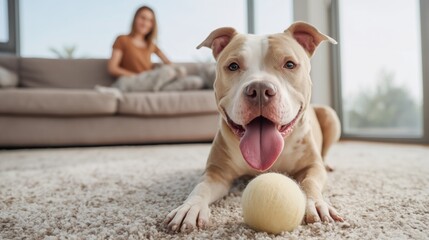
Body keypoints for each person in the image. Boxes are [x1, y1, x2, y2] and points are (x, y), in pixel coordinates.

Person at [107, 6, 203, 92]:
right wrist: (139, 77)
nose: (145, 23)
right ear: (135, 18)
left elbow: (169, 63)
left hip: (152, 81)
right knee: (168, 72)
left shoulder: (151, 44)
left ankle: (156, 87)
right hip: (132, 81)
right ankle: (155, 86)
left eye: (150, 20)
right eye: (143, 18)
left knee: (195, 81)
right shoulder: (122, 39)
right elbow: (113, 68)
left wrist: (177, 72)